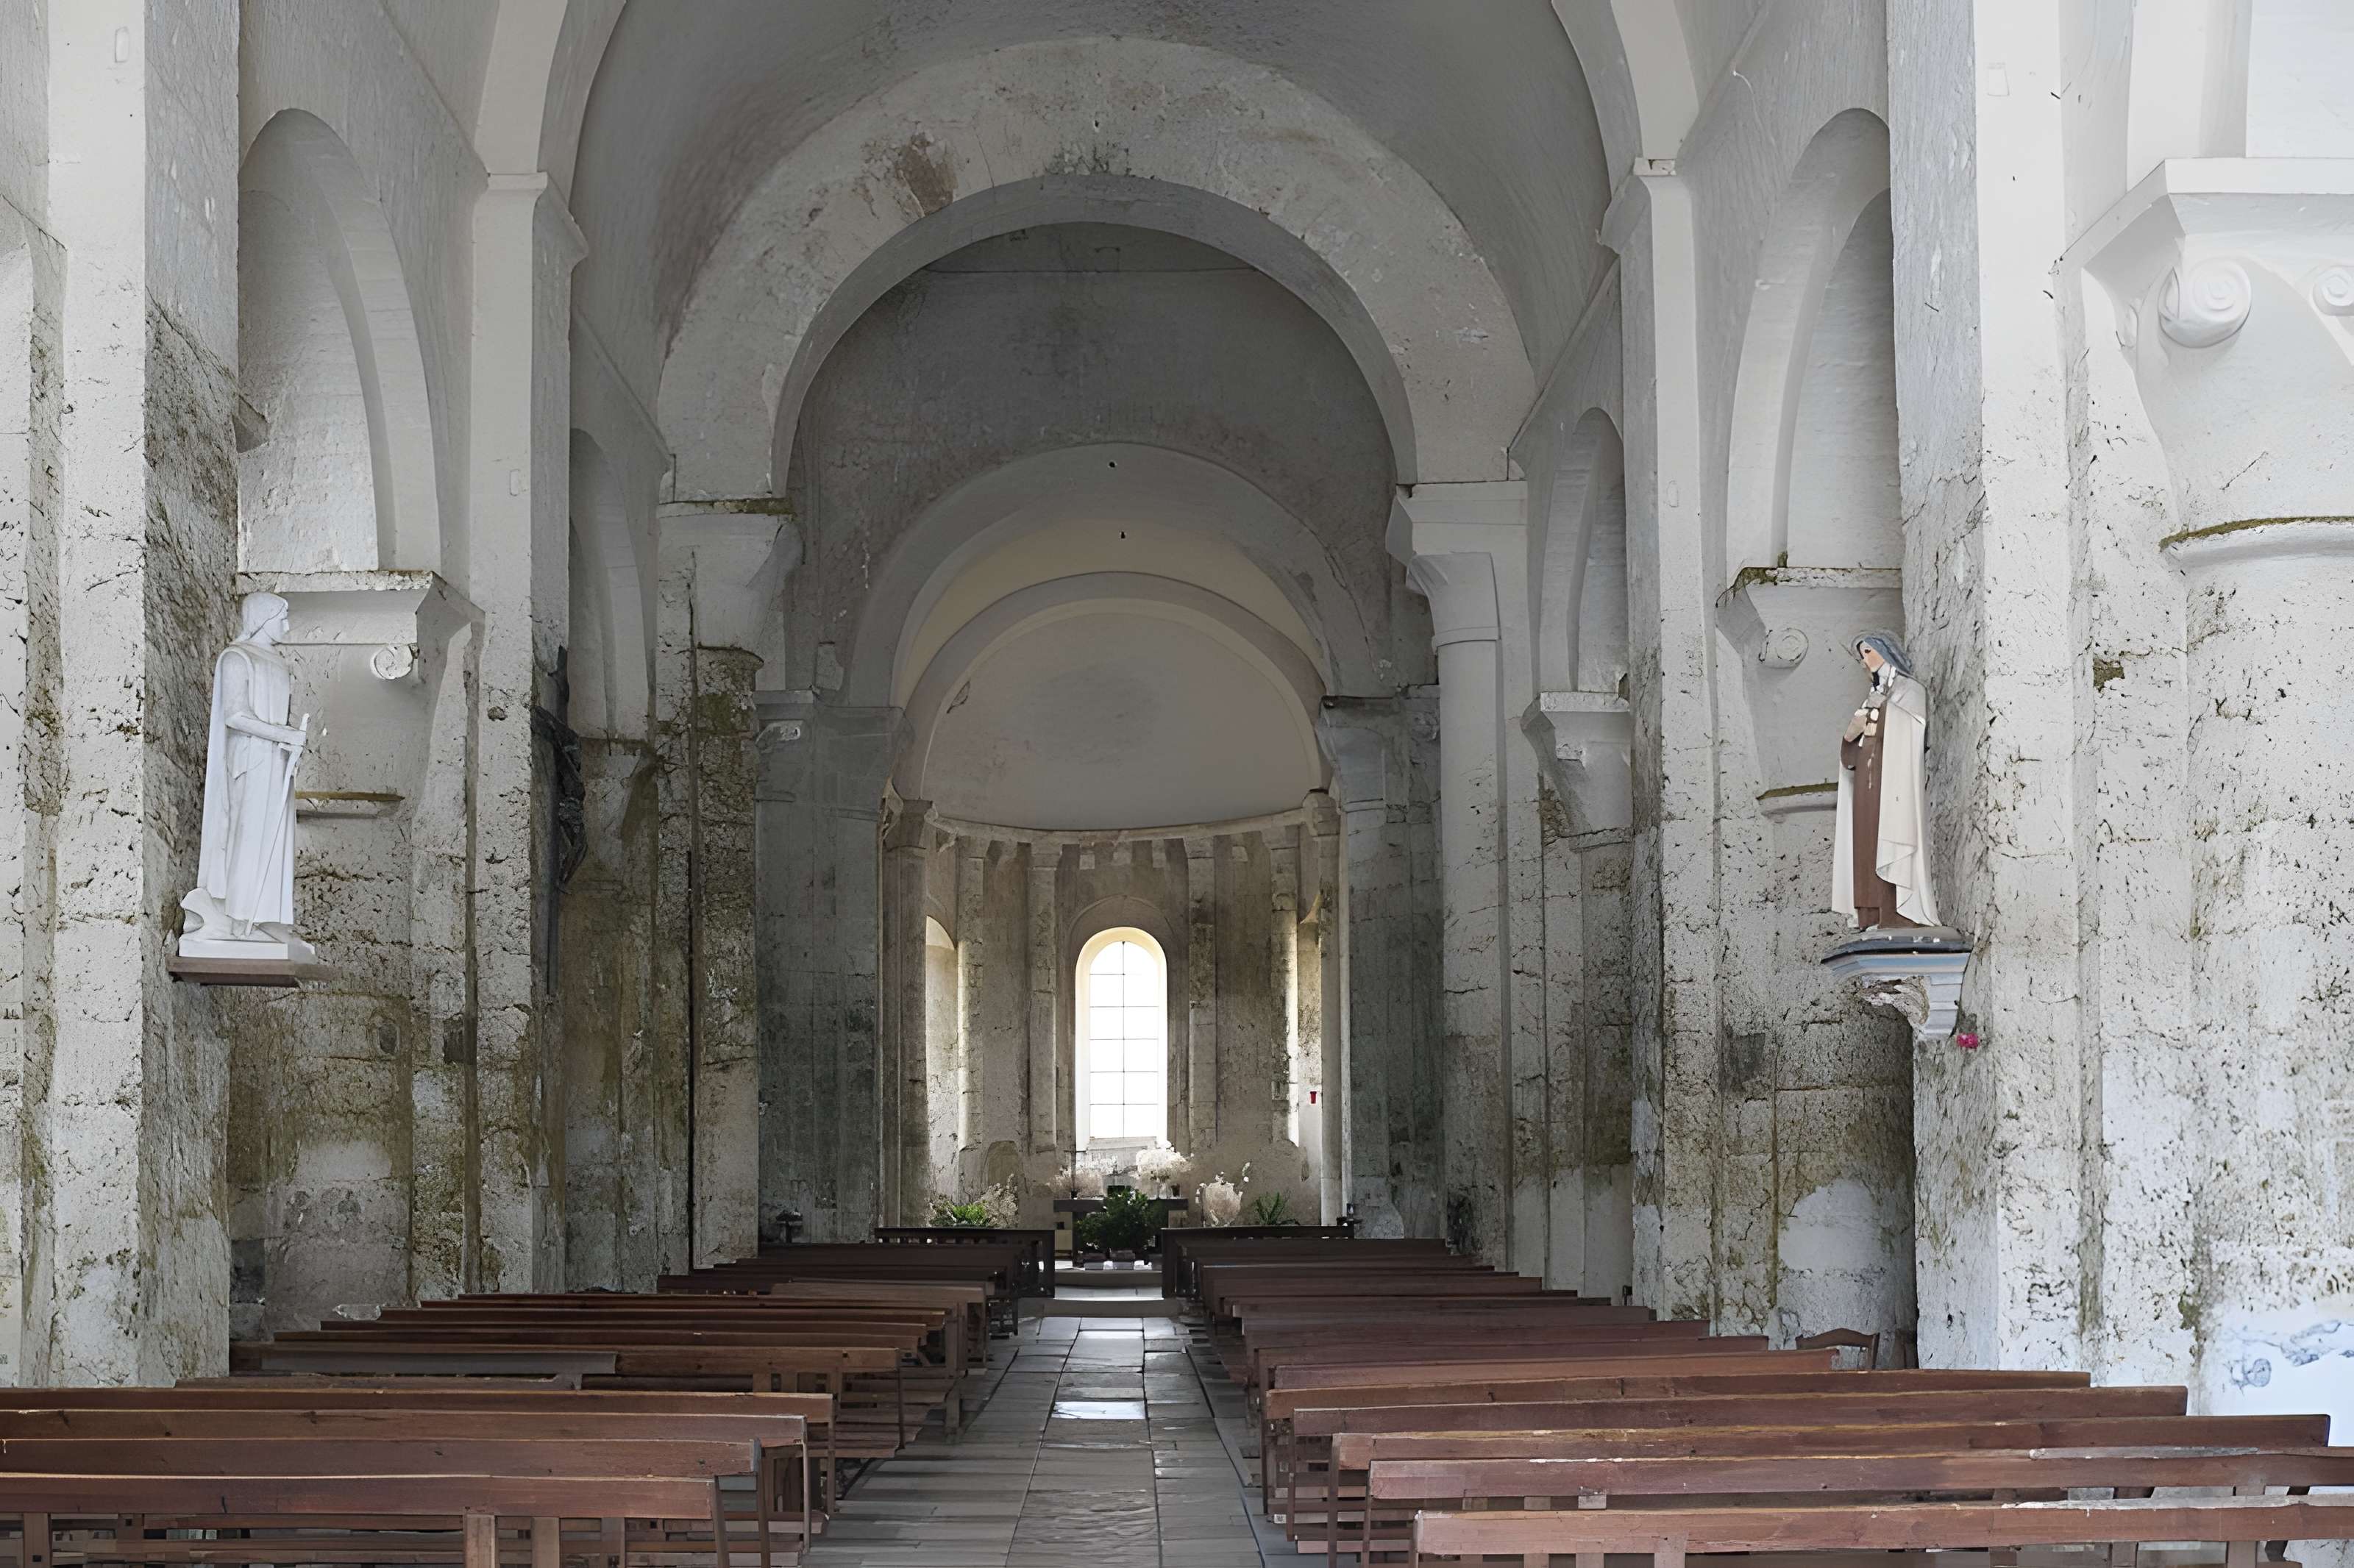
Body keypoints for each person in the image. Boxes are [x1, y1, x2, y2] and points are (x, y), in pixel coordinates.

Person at [184, 592, 309, 944]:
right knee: (249, 836)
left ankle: (268, 916)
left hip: (277, 760)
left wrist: (288, 741)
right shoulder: (237, 658)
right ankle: (239, 917)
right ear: (263, 618)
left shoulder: (280, 663)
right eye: (281, 618)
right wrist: (282, 733)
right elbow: (236, 715)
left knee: (275, 836)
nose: (286, 625)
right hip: (251, 760)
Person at [1834, 631, 1939, 931]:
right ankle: (1872, 915)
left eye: (1869, 652)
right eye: (1862, 655)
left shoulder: (1910, 690)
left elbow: (1914, 728)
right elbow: (1851, 752)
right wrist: (1851, 732)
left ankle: (1897, 915)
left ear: (1885, 651)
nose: (1865, 661)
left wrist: (1884, 709)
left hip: (1893, 782)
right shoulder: (1871, 696)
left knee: (1890, 839)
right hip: (1868, 783)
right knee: (1866, 843)